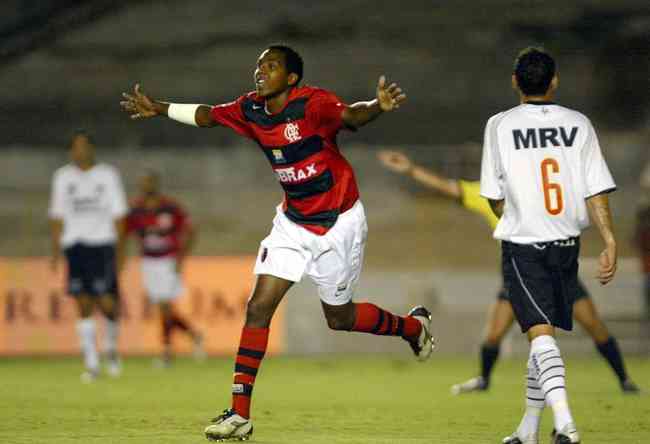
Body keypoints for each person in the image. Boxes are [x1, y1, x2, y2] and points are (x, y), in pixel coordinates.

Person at [120, 44, 434, 441]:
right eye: (258, 65)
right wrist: (160, 107)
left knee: (339, 318)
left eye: (270, 66)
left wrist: (379, 105)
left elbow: (351, 117)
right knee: (258, 308)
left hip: (340, 222)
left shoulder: (312, 104)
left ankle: (411, 328)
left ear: (291, 78)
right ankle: (239, 414)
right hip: (292, 223)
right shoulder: (250, 109)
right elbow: (207, 115)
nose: (260, 71)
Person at [378, 149, 639, 394]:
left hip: (554, 270)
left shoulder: (539, 188)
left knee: (594, 325)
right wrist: (411, 169)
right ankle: (483, 379)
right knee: (494, 334)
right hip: (518, 272)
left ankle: (624, 380)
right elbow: (449, 188)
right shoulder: (488, 193)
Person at [480, 47, 618, 444]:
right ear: (554, 81)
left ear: (514, 82)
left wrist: (518, 211)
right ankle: (528, 430)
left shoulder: (500, 125)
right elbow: (597, 189)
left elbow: (493, 194)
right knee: (543, 338)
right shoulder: (579, 124)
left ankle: (567, 424)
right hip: (567, 243)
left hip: (526, 245)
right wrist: (609, 240)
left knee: (539, 336)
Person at [49, 130, 127, 383]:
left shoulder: (107, 175)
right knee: (82, 304)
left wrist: (121, 252)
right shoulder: (62, 177)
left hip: (102, 244)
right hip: (76, 247)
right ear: (71, 151)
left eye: (84, 146)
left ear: (92, 149)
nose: (79, 151)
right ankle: (91, 363)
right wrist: (56, 251)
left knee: (107, 304)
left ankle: (112, 350)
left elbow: (119, 215)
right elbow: (57, 216)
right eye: (75, 147)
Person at [126, 170, 204, 366]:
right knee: (164, 309)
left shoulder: (170, 207)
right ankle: (194, 335)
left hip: (168, 261)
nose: (146, 186)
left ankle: (167, 352)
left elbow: (191, 229)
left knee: (165, 307)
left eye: (149, 182)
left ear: (155, 184)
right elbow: (124, 231)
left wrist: (181, 257)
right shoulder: (136, 209)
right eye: (143, 182)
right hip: (149, 262)